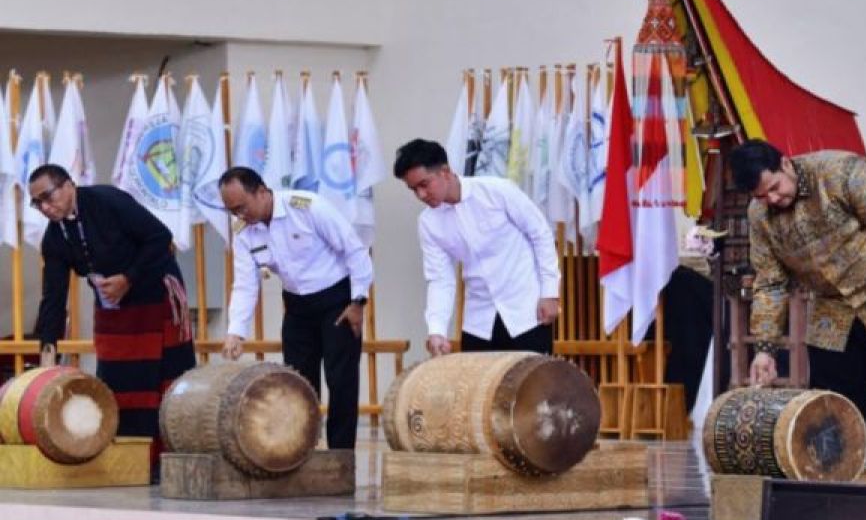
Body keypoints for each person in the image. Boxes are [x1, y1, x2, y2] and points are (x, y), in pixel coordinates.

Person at [730, 140, 866, 485]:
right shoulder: (760, 216)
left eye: (774, 188)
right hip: (832, 307)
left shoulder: (841, 172)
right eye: (761, 196)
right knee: (831, 404)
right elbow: (771, 283)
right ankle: (832, 480)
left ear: (786, 164)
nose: (772, 199)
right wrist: (764, 348)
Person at [30, 164, 196, 464]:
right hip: (114, 308)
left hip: (154, 292)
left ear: (69, 185)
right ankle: (133, 462)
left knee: (167, 380)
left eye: (47, 196)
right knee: (118, 384)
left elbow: (160, 237)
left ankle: (174, 459)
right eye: (37, 203)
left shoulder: (108, 200)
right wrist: (47, 349)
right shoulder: (54, 238)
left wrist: (128, 278)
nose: (44, 207)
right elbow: (53, 296)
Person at [219, 167, 372, 450]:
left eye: (242, 207)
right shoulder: (243, 233)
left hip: (337, 301)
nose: (240, 216)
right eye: (232, 211)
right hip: (297, 307)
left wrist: (358, 301)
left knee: (341, 381)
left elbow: (354, 250)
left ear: (262, 192)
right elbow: (244, 285)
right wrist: (235, 332)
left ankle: (341, 455)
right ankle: (301, 452)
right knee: (297, 384)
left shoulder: (307, 207)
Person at [393, 139, 560, 356]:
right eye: (413, 189)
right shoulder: (428, 223)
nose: (421, 195)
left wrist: (550, 292)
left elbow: (541, 233)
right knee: (478, 389)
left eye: (424, 184)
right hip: (479, 321)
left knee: (534, 389)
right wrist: (437, 330)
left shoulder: (497, 191)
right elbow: (440, 278)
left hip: (527, 312)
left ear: (445, 171)